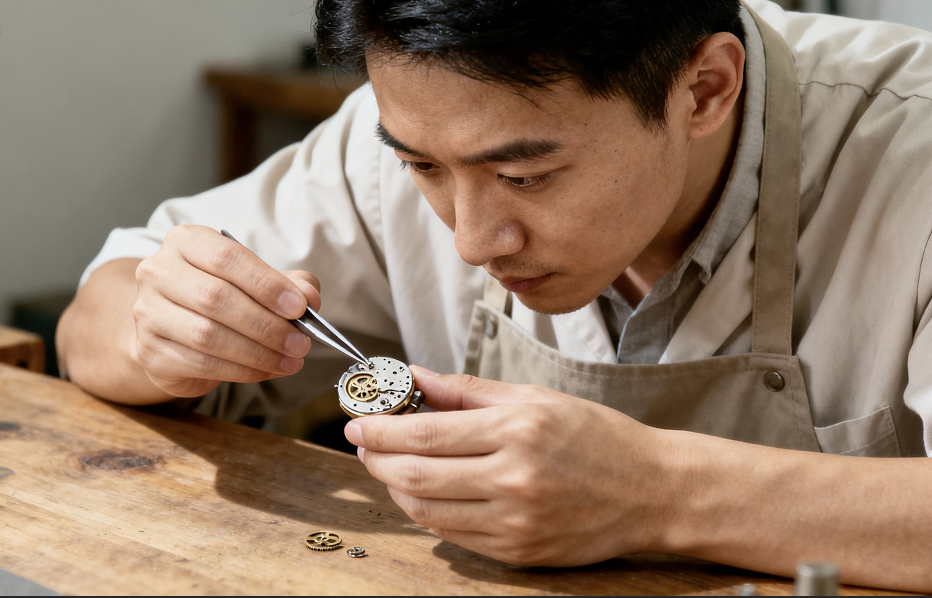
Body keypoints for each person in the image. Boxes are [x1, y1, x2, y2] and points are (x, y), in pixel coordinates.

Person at [56, 0, 932, 591]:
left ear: (704, 88)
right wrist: (159, 329)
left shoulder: (911, 151)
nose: (472, 240)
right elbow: (94, 319)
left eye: (525, 173)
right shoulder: (416, 120)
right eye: (423, 169)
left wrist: (658, 492)